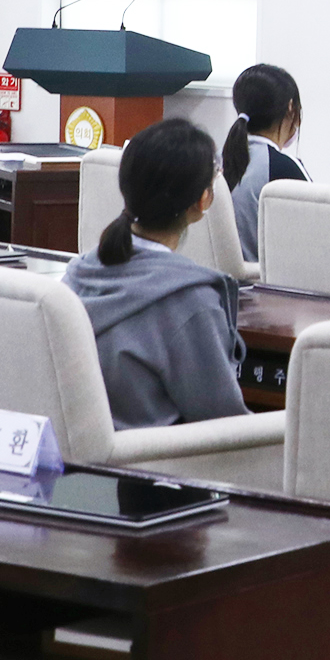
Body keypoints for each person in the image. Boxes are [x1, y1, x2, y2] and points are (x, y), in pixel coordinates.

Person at [63, 119, 252, 429]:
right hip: (160, 466)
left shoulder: (77, 275)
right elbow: (223, 421)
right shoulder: (191, 300)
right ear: (203, 200)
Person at [221, 63, 309, 262]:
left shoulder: (212, 160)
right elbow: (314, 239)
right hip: (263, 287)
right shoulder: (285, 167)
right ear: (290, 107)